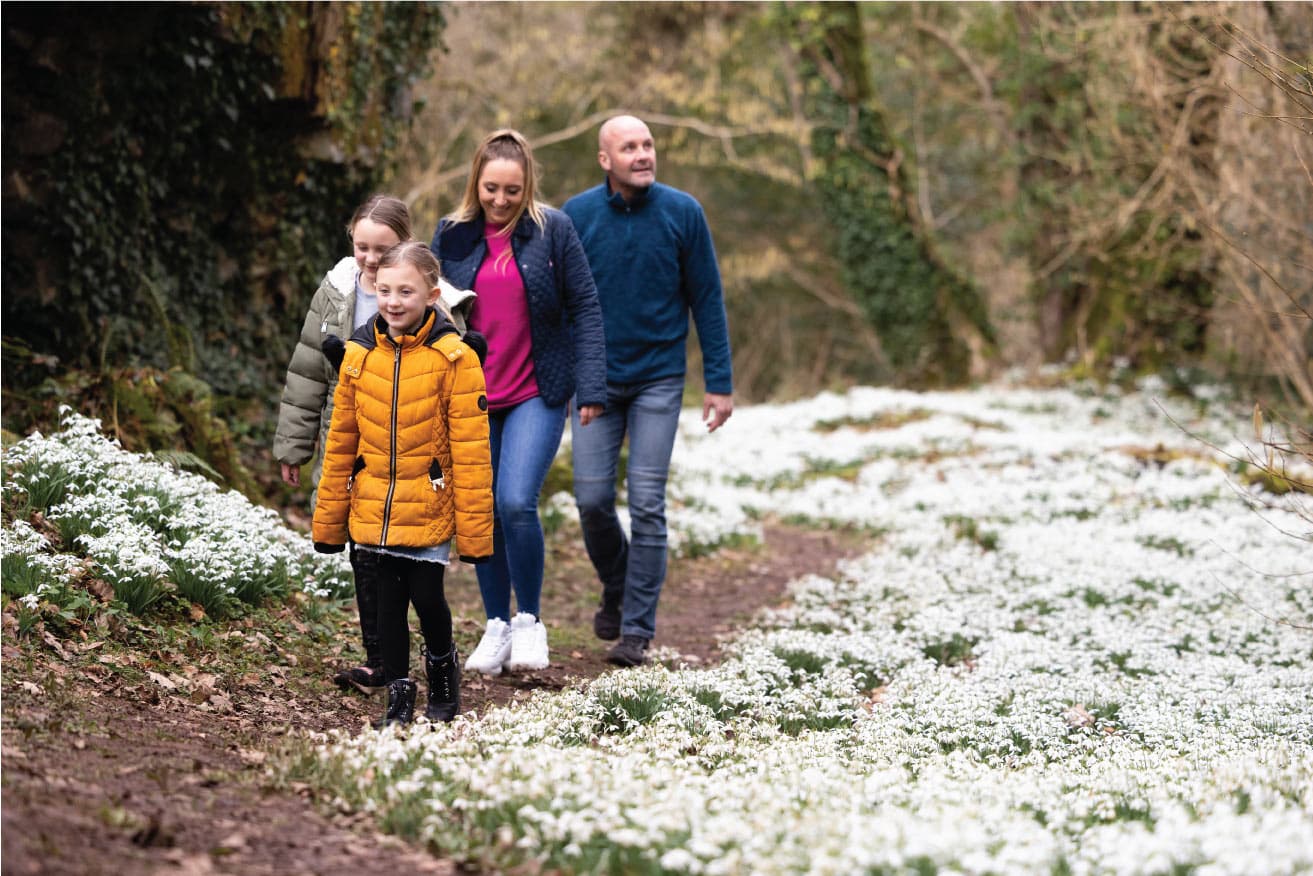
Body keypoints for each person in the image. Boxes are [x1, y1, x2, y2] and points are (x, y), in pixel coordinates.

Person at [430, 129, 607, 675]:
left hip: (537, 388)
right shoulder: (452, 235)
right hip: (475, 395)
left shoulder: (553, 230)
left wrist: (592, 387)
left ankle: (529, 621)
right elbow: (430, 313)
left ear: (526, 183)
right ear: (475, 184)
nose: (501, 200)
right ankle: (496, 625)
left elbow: (586, 307)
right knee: (481, 509)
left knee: (514, 500)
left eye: (511, 189)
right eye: (491, 189)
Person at [561, 115, 734, 667]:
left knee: (647, 503)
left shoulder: (684, 212)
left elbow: (706, 297)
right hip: (595, 381)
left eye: (648, 145)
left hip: (660, 377)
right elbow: (557, 301)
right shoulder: (576, 215)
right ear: (605, 160)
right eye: (629, 147)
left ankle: (636, 629)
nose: (643, 154)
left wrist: (720, 382)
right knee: (591, 500)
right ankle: (618, 584)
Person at [311, 241, 493, 725]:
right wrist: (330, 521)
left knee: (428, 599)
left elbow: (471, 450)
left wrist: (475, 532)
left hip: (428, 503)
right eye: (385, 290)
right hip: (374, 503)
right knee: (387, 607)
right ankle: (398, 693)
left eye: (406, 291)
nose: (393, 301)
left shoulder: (455, 358)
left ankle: (443, 674)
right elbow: (342, 440)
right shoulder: (358, 356)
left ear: (432, 295)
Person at [273, 194, 410, 694]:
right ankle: (381, 659)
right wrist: (295, 445)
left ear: (406, 245)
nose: (372, 260)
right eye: (362, 247)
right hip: (344, 437)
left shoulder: (426, 294)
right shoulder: (335, 293)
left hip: (403, 444)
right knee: (362, 549)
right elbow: (308, 370)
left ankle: (421, 651)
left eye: (384, 248)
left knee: (399, 552)